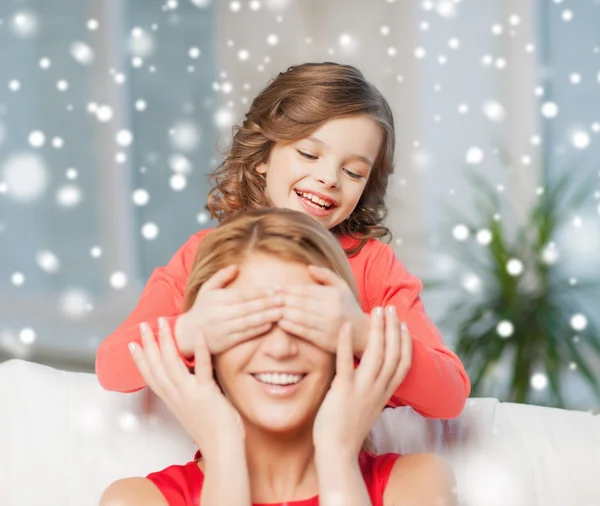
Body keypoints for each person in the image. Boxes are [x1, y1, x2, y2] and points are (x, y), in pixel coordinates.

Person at [95, 61, 470, 418]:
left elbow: (450, 395)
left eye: (354, 172)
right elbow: (112, 368)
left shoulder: (372, 266)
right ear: (263, 156)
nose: (329, 178)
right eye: (309, 153)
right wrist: (192, 330)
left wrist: (360, 333)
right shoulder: (206, 255)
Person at [99, 209, 458, 506]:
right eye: (250, 324)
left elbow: (449, 390)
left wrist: (338, 456)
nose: (280, 348)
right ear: (204, 348)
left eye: (304, 323)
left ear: (342, 346)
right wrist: (225, 456)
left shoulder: (418, 485)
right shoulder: (136, 499)